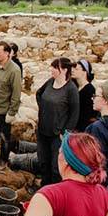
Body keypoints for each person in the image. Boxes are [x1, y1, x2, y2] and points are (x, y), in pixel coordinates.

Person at [36, 57, 79, 185]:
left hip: (57, 135)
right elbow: (39, 93)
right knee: (43, 161)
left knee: (56, 166)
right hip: (43, 130)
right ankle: (44, 186)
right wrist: (43, 109)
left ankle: (55, 191)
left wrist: (65, 132)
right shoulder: (50, 82)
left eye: (55, 67)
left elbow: (74, 113)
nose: (52, 70)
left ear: (65, 70)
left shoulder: (71, 89)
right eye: (52, 66)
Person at [72, 59, 97, 131]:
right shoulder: (74, 87)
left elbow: (88, 114)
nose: (72, 71)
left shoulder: (90, 90)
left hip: (81, 129)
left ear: (85, 72)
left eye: (76, 69)